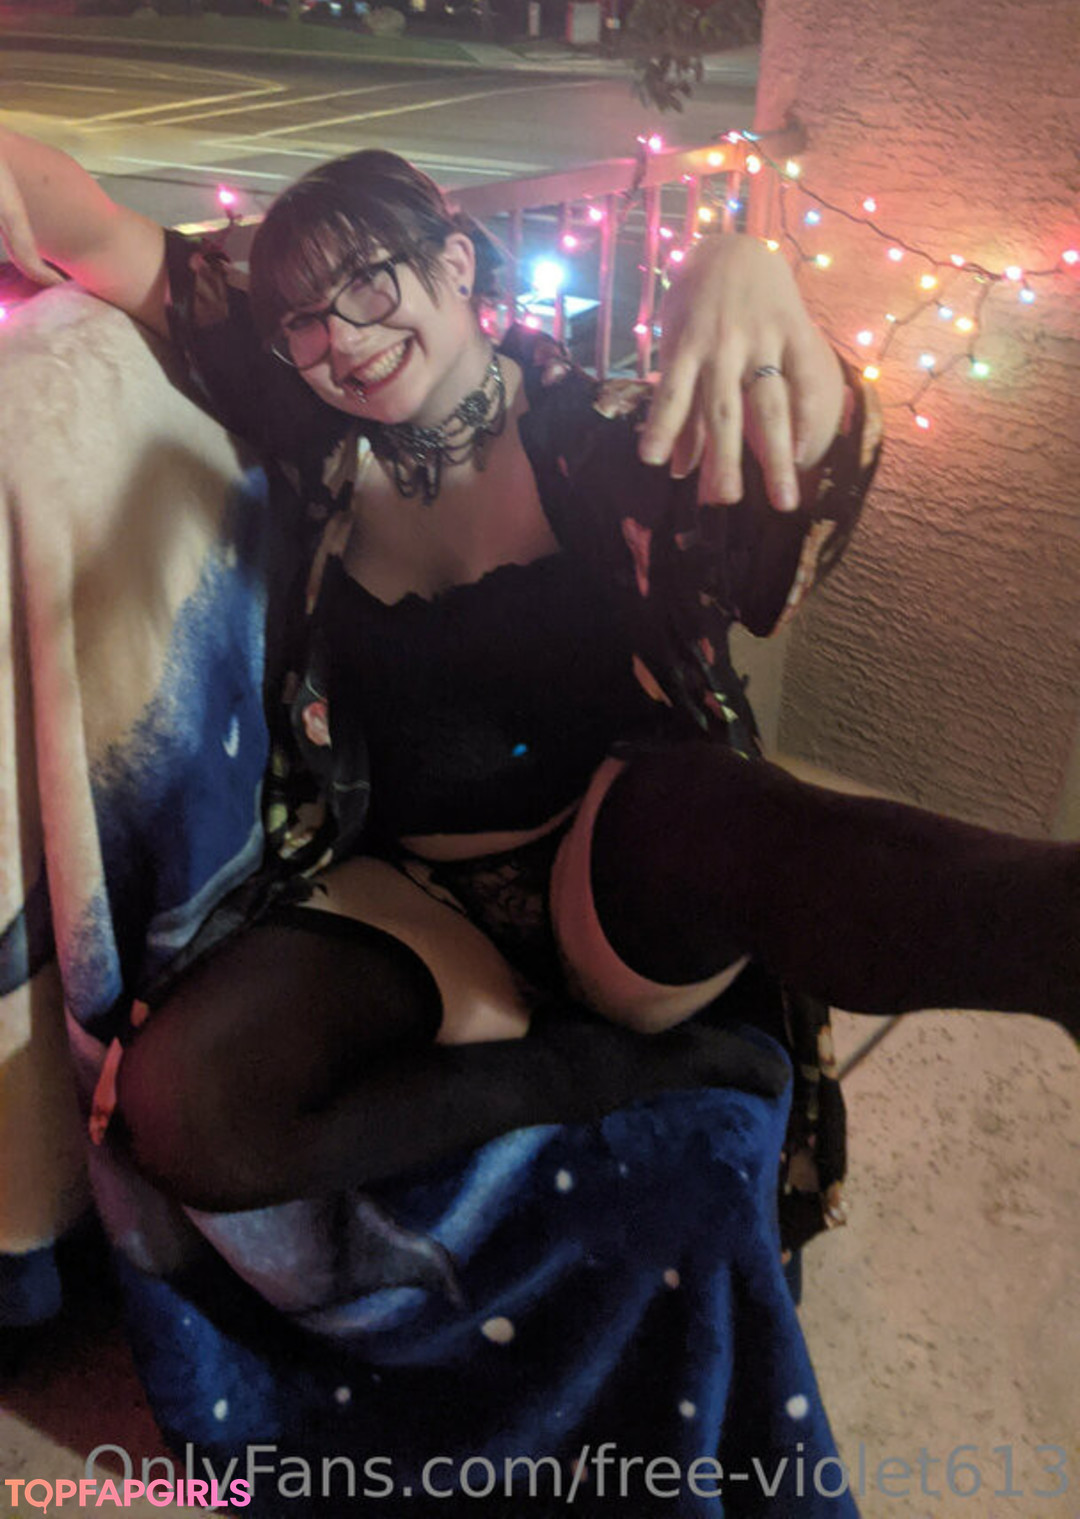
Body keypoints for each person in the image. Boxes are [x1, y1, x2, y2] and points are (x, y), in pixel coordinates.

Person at [0, 129, 1074, 1236]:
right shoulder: (313, 436)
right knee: (183, 1110)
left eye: (369, 281)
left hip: (614, 875)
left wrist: (749, 272)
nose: (344, 339)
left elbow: (771, 524)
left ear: (457, 260)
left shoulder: (595, 437)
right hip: (411, 899)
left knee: (732, 809)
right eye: (304, 320)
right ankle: (609, 1076)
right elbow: (94, 231)